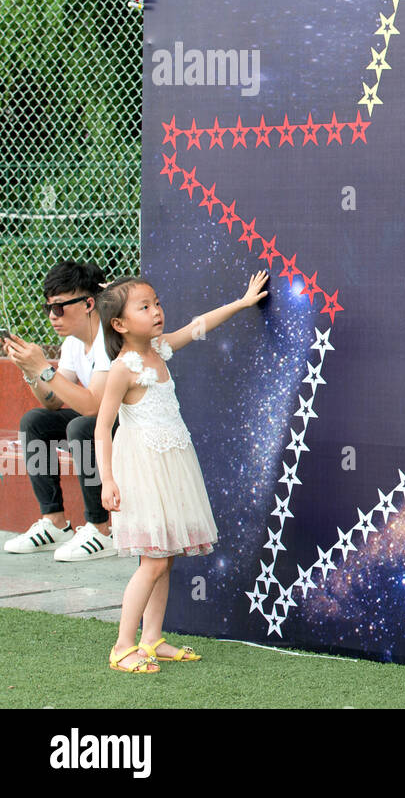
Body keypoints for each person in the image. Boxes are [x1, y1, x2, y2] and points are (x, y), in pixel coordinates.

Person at [94, 271, 268, 674]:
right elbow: (103, 426)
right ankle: (123, 645)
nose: (156, 312)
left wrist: (242, 303)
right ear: (119, 324)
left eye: (157, 303)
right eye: (144, 307)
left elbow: (198, 325)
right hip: (143, 468)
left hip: (173, 463)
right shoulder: (124, 368)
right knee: (152, 560)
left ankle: (152, 638)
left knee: (166, 558)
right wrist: (108, 479)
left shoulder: (160, 348)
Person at [3, 261, 117, 561]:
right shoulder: (72, 344)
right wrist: (31, 371)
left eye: (60, 307)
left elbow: (94, 405)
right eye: (49, 308)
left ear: (89, 302)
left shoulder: (110, 338)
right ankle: (55, 523)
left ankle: (102, 528)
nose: (53, 316)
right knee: (36, 421)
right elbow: (52, 401)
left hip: (132, 426)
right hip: (103, 424)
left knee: (82, 427)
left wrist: (43, 368)